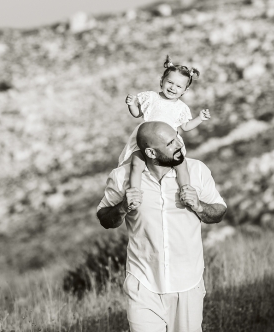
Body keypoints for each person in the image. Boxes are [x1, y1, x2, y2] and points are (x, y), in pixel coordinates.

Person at [97, 121, 226, 332]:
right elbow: (104, 218)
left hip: (188, 283)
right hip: (143, 285)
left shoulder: (197, 170)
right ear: (151, 152)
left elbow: (219, 212)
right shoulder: (122, 178)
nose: (179, 145)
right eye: (170, 143)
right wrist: (123, 207)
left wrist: (199, 206)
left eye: (177, 138)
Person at [121, 55, 210, 204]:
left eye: (179, 86)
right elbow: (137, 114)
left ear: (185, 91)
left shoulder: (181, 108)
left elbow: (186, 127)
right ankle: (134, 195)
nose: (173, 88)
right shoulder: (151, 97)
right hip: (146, 137)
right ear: (161, 81)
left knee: (181, 164)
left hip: (169, 142)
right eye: (170, 82)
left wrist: (200, 118)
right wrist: (131, 105)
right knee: (137, 163)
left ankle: (186, 190)